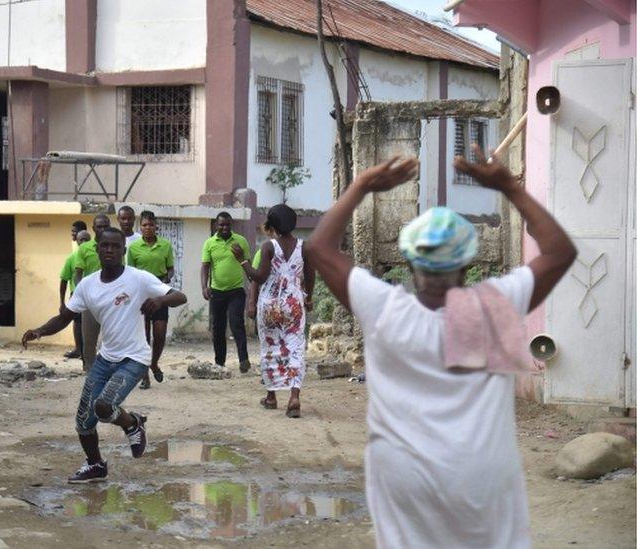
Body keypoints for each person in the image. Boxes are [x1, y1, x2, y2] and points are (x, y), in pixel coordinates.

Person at [306, 148, 576, 548]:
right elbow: (559, 251)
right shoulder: (494, 306)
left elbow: (318, 248)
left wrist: (362, 185)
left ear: (410, 263)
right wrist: (508, 187)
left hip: (404, 479)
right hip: (481, 478)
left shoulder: (383, 309)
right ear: (468, 264)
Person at [23, 227, 187, 483]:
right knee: (83, 422)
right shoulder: (88, 285)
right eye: (105, 246)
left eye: (115, 246)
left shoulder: (138, 278)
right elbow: (66, 317)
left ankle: (132, 423)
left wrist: (161, 301)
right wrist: (39, 331)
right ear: (96, 249)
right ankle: (96, 465)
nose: (110, 250)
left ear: (124, 250)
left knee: (104, 406)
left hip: (134, 358)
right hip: (105, 358)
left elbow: (180, 296)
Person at [235, 204, 314, 417]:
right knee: (295, 346)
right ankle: (294, 396)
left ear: (273, 223)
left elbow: (259, 277)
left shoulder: (269, 247)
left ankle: (271, 396)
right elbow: (310, 274)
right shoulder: (304, 247)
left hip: (270, 304)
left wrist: (242, 260)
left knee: (270, 347)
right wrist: (309, 298)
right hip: (294, 303)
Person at [126, 211, 174, 389]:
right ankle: (144, 375)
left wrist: (167, 278)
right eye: (145, 225)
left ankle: (154, 363)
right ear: (141, 227)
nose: (148, 228)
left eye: (151, 225)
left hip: (160, 293)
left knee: (159, 335)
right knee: (143, 338)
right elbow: (129, 272)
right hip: (141, 295)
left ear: (156, 226)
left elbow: (170, 269)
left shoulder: (166, 245)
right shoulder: (134, 247)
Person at [200, 212, 251, 372]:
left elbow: (247, 264)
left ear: (231, 225)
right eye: (221, 225)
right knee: (218, 328)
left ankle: (244, 360)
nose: (224, 228)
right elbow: (205, 267)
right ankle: (220, 362)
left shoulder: (240, 241)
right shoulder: (209, 243)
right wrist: (204, 287)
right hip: (217, 292)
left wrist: (241, 257)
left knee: (237, 324)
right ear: (216, 225)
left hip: (236, 290)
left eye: (227, 224)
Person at [75, 214, 112, 371]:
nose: (102, 229)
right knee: (89, 340)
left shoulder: (114, 247)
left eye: (105, 226)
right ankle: (90, 370)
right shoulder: (84, 248)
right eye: (99, 226)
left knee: (112, 338)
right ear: (93, 228)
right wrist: (82, 295)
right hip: (90, 301)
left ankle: (110, 369)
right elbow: (78, 274)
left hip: (111, 300)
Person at [60, 230, 91, 359]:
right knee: (78, 323)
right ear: (76, 241)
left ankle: (90, 352)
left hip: (93, 294)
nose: (83, 242)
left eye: (86, 239)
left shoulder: (95, 255)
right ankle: (79, 350)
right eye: (81, 240)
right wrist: (61, 302)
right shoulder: (71, 258)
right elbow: (64, 280)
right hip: (77, 294)